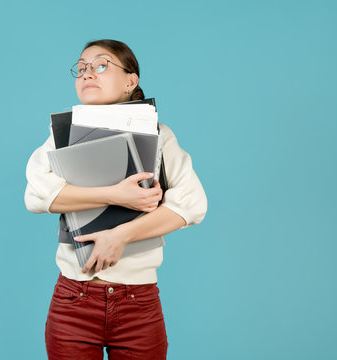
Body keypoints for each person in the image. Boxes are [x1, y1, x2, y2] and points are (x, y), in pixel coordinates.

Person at [24, 39, 207, 360]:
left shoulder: (160, 135)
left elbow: (192, 205)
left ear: (130, 81)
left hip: (138, 303)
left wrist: (119, 236)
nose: (87, 73)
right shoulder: (61, 135)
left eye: (101, 65)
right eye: (80, 68)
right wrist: (116, 194)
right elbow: (36, 196)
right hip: (73, 300)